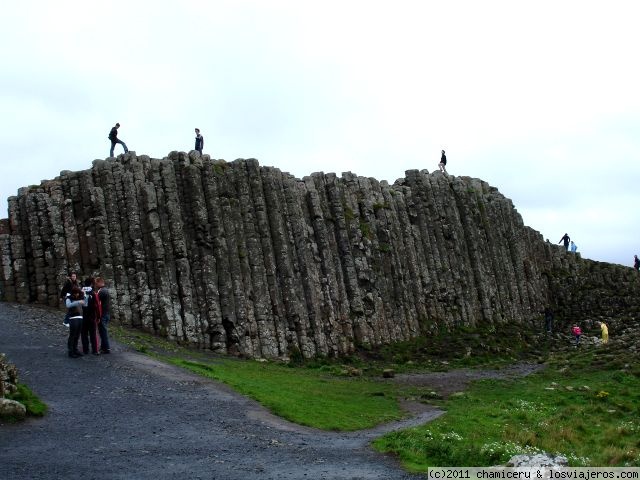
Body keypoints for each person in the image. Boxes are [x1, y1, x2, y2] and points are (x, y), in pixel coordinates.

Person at [80, 278, 100, 355]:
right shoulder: (94, 293)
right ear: (91, 284)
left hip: (83, 316)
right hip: (92, 316)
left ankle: (85, 349)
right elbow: (97, 306)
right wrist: (98, 317)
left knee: (84, 333)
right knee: (93, 334)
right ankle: (95, 350)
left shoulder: (81, 292)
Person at [66, 286, 87, 358]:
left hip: (80, 317)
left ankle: (75, 349)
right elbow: (68, 305)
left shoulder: (80, 297)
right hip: (73, 318)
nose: (77, 294)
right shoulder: (69, 298)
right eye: (76, 293)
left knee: (77, 335)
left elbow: (85, 304)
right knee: (72, 335)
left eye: (78, 293)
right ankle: (70, 351)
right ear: (73, 293)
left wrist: (85, 296)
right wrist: (78, 302)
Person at [95, 277, 111, 354]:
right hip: (107, 313)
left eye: (96, 283)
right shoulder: (106, 290)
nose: (95, 285)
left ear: (99, 282)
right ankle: (103, 347)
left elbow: (97, 303)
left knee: (103, 332)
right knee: (103, 331)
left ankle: (106, 348)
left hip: (103, 314)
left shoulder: (101, 292)